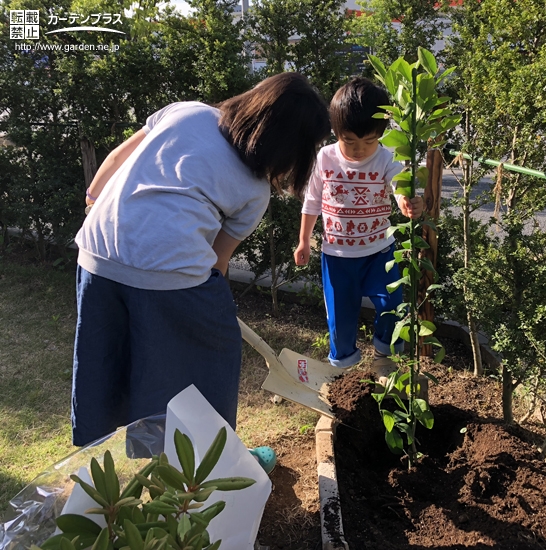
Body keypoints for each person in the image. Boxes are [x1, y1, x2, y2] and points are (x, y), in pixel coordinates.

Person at [72, 72, 330, 470]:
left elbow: (117, 159)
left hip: (94, 255)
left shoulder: (185, 112)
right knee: (211, 356)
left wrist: (94, 199)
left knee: (113, 352)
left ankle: (155, 450)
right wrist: (207, 312)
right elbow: (216, 262)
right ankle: (215, 462)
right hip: (168, 271)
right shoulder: (255, 189)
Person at [293, 77, 423, 382]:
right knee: (340, 317)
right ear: (335, 131)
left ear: (381, 135)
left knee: (392, 305)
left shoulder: (387, 156)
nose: (359, 150)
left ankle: (383, 358)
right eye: (349, 141)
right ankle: (344, 369)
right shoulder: (324, 158)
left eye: (369, 141)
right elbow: (311, 201)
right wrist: (303, 241)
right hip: (337, 256)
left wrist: (406, 200)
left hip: (379, 251)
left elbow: (398, 184)